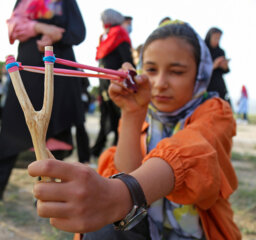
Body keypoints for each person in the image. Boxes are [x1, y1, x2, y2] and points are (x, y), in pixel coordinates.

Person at [27, 21, 241, 240]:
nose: (160, 83)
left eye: (176, 72)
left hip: (196, 233)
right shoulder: (144, 112)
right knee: (103, 232)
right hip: (147, 227)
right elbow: (127, 171)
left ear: (200, 73)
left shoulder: (216, 112)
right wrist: (132, 113)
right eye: (150, 70)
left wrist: (122, 193)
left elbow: (191, 150)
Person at [0, 0, 86, 202]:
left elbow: (78, 33)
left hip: (56, 74)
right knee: (12, 126)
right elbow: (13, 27)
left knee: (55, 128)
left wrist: (55, 36)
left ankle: (49, 189)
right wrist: (39, 27)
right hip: (25, 72)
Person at [90, 8, 134, 158]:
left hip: (115, 84)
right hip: (104, 84)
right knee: (106, 117)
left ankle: (117, 149)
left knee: (117, 118)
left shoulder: (119, 33)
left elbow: (127, 60)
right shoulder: (106, 36)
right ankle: (99, 149)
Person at [205, 27, 231, 105]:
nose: (217, 41)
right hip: (207, 86)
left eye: (219, 38)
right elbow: (200, 69)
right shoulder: (203, 50)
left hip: (219, 86)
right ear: (209, 36)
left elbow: (225, 71)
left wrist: (225, 66)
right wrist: (214, 65)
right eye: (215, 38)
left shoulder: (220, 51)